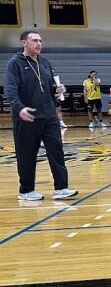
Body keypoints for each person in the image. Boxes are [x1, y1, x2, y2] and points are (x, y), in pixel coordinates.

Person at [4, 31, 78, 201]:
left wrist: (57, 89)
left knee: (56, 151)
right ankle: (26, 191)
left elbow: (47, 86)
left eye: (40, 41)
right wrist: (20, 108)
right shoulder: (15, 63)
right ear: (24, 43)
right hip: (27, 116)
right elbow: (10, 90)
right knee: (27, 154)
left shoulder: (44, 62)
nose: (39, 43)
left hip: (49, 115)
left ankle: (61, 188)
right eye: (35, 40)